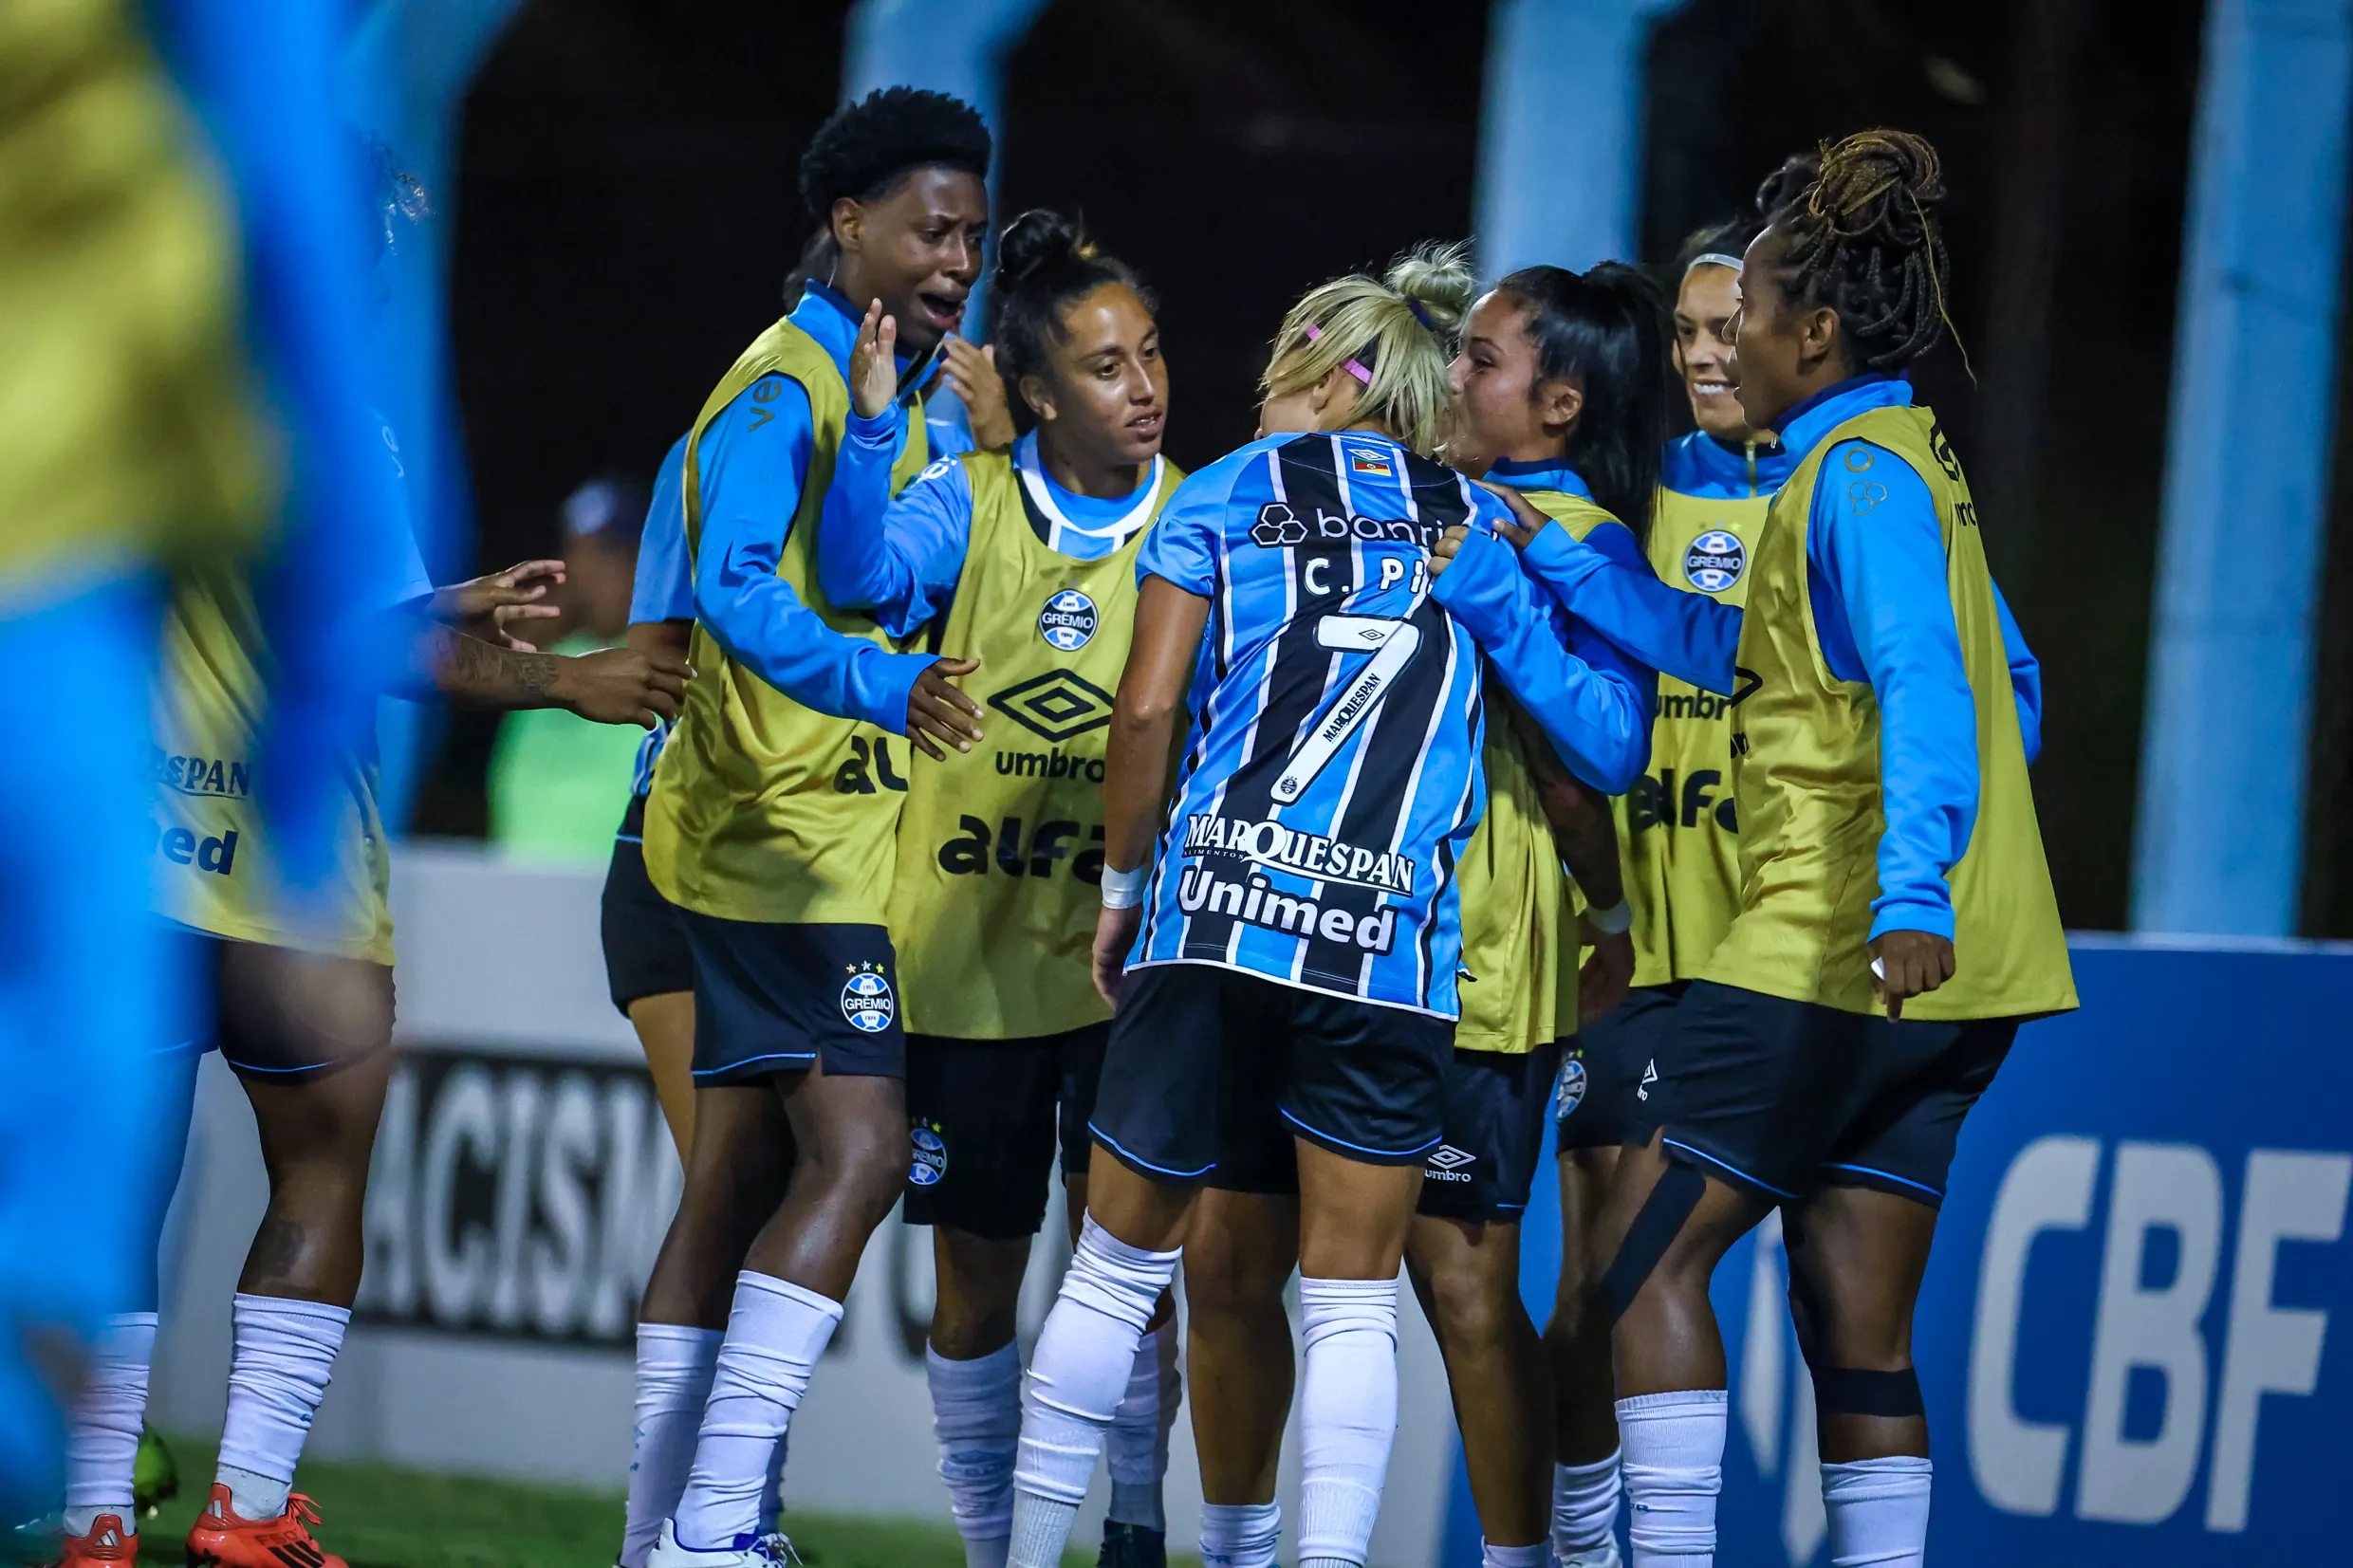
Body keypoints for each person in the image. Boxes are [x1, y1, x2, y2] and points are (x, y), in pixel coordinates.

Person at [999, 245, 1649, 1568]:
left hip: (1216, 911)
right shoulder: (1479, 524)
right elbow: (1593, 749)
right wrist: (1615, 904)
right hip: (1387, 941)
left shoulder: (1226, 490)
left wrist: (1127, 889)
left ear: (1322, 363)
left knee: (1117, 1273)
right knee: (1353, 1302)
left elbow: (1145, 706)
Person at [1569, 130, 2077, 1568]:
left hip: (1842, 946)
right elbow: (2003, 690)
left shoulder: (1853, 479)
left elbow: (1926, 682)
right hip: (1968, 984)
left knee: (1639, 1263)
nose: (1731, 342)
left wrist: (1911, 875)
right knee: (1856, 1324)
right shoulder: (1901, 466)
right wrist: (1563, 567)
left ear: (1817, 329)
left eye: (1754, 315)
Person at [635, 87, 1002, 1568]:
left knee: (735, 1188)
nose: (956, 258)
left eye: (972, 233)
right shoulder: (779, 387)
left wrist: (895, 437)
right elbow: (740, 593)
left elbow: (853, 563)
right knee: (855, 1158)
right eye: (930, 227)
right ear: (847, 223)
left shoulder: (874, 388)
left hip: (795, 846)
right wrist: (889, 683)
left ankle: (665, 1533)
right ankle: (716, 1524)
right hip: (768, 846)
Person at [813, 209, 1184, 1568]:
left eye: (1150, 356)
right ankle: (993, 1551)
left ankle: (1137, 1529)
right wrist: (870, 432)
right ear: (1033, 393)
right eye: (1103, 366)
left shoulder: (1198, 517)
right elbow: (857, 580)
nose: (1141, 387)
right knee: (974, 1288)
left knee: (1133, 1277)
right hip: (964, 970)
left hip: (1125, 971)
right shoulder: (963, 502)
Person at [1538, 218, 1792, 1568]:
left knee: (1728, 1282)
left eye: (1724, 327)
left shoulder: (1849, 499)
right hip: (1634, 955)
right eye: (1685, 332)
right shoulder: (1632, 491)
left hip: (1786, 957)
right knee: (1593, 1288)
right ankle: (1585, 1549)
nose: (1703, 354)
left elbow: (2007, 699)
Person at [489, 477, 658, 860]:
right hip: (518, 891)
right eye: (580, 558)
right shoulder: (548, 658)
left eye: (612, 556)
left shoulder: (678, 661)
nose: (596, 575)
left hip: (617, 897)